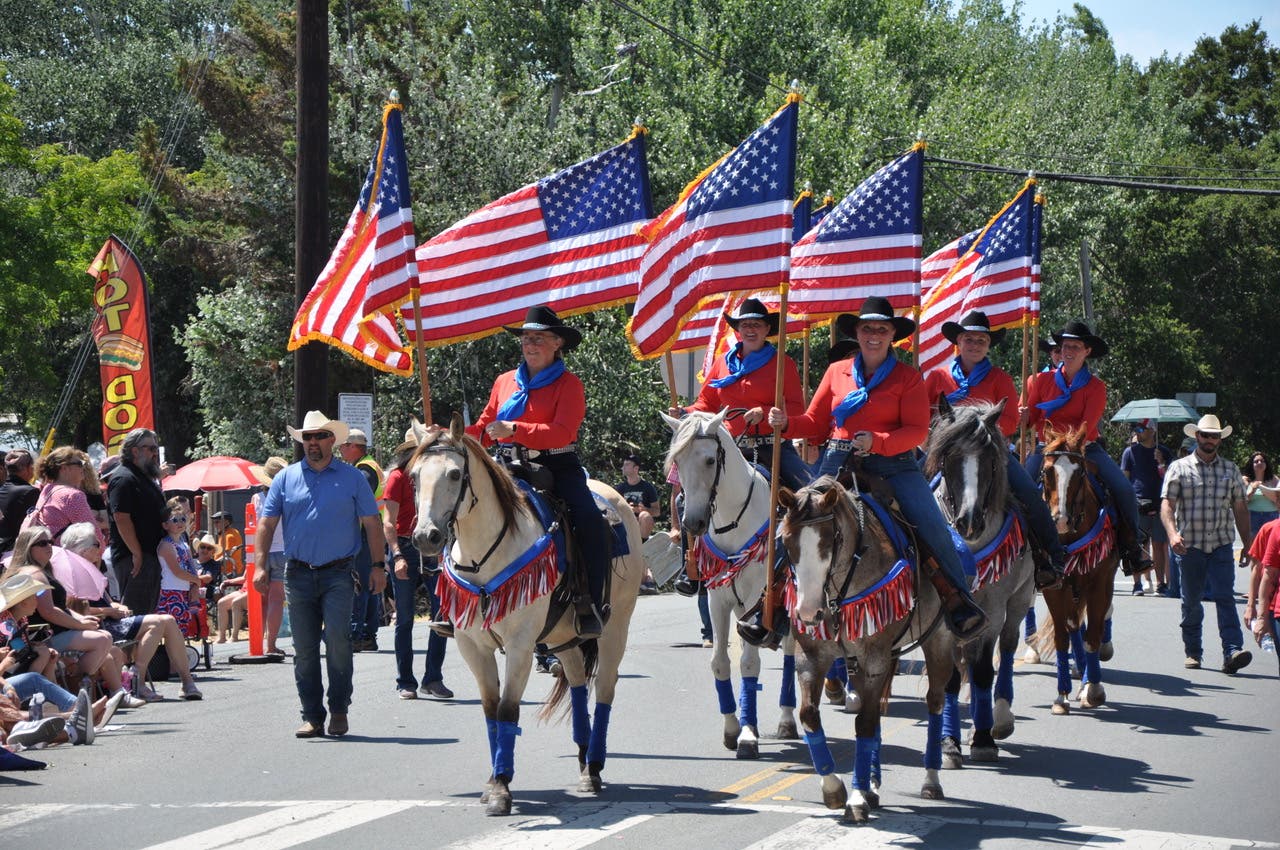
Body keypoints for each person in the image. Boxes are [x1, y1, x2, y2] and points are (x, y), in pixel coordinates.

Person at [769, 295, 987, 640]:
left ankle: (957, 599)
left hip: (894, 466)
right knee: (796, 521)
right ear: (856, 332)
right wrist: (787, 424)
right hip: (837, 462)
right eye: (867, 328)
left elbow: (917, 431)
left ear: (892, 335)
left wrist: (878, 442)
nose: (874, 334)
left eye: (882, 329)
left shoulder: (907, 377)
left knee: (932, 526)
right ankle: (771, 604)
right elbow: (814, 421)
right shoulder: (836, 372)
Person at [467, 305, 608, 640]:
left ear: (557, 343)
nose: (530, 344)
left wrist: (515, 428)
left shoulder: (569, 384)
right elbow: (486, 427)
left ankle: (590, 603)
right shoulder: (504, 381)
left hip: (556, 466)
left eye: (539, 338)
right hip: (505, 466)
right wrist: (451, 435)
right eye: (527, 338)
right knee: (460, 508)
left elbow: (563, 432)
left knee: (591, 520)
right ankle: (457, 601)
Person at [254, 410, 387, 738]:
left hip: (339, 573)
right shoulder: (286, 478)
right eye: (307, 438)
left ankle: (339, 709)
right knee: (305, 648)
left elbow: (372, 523)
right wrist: (258, 565)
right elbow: (267, 523)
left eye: (318, 437)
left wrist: (378, 566)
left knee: (339, 642)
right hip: (297, 573)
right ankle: (312, 714)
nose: (312, 443)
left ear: (332, 440)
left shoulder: (353, 477)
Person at [923, 309, 1066, 589]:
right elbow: (923, 417)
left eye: (981, 340)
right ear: (958, 343)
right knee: (910, 497)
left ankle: (1050, 556)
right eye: (969, 340)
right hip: (947, 454)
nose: (975, 345)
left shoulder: (999, 378)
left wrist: (979, 434)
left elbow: (1011, 420)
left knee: (1030, 495)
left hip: (989, 452)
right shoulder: (937, 378)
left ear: (988, 345)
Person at [1019, 320, 1151, 578]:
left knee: (1123, 489)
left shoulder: (1096, 387)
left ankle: (1132, 547)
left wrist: (1064, 441)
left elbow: (1087, 426)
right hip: (1046, 450)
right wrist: (1022, 416)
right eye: (1065, 346)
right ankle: (1018, 548)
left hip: (1084, 449)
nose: (1068, 351)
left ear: (1086, 351)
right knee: (1019, 491)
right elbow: (1028, 421)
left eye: (1075, 347)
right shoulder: (1038, 380)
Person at [674, 297, 811, 492]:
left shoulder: (783, 363)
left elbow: (797, 410)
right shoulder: (722, 363)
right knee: (688, 496)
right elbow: (706, 403)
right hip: (731, 445)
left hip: (774, 447)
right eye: (745, 324)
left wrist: (764, 413)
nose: (750, 329)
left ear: (767, 329)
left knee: (810, 493)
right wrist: (684, 412)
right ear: (738, 329)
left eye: (756, 324)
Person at [60, 522, 201, 701]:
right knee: (160, 622)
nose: (101, 547)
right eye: (96, 544)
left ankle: (184, 681)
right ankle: (140, 680)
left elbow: (107, 600)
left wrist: (116, 606)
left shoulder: (91, 570)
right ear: (82, 550)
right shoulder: (70, 574)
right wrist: (109, 611)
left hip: (112, 621)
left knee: (167, 621)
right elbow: (76, 610)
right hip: (101, 625)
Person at [1160, 414, 1253, 675]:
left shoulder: (1230, 469)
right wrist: (1172, 534)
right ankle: (1193, 651)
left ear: (1220, 440)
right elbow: (1167, 505)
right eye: (1206, 435)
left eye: (1215, 436)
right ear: (1196, 437)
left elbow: (1241, 508)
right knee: (1191, 601)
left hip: (1222, 544)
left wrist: (1248, 543)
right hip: (1189, 545)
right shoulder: (1179, 467)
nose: (1210, 440)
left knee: (1225, 598)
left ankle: (1232, 650)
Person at [3, 526, 138, 705]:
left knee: (105, 647)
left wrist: (81, 619)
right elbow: (48, 612)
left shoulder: (43, 572)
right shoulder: (33, 575)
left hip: (38, 641)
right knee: (102, 641)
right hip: (46, 635)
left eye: (50, 542)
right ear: (28, 547)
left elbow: (60, 607)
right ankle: (75, 686)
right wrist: (80, 624)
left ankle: (80, 697)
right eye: (42, 543)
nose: (49, 546)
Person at [382, 434, 453, 700]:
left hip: (432, 546)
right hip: (405, 546)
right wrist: (397, 555)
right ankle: (406, 681)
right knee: (405, 618)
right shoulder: (398, 477)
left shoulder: (433, 477)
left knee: (441, 616)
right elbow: (388, 521)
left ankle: (433, 678)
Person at [107, 429, 168, 618]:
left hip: (148, 555)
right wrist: (136, 552)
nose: (154, 453)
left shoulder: (143, 477)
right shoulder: (123, 478)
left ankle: (141, 648)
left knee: (146, 616)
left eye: (155, 448)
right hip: (134, 557)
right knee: (136, 619)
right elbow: (121, 518)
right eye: (150, 448)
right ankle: (130, 649)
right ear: (135, 451)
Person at [339, 430, 384, 652]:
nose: (340, 450)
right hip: (370, 533)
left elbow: (354, 500)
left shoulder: (364, 470)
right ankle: (367, 633)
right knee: (369, 584)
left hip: (363, 534)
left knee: (360, 584)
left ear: (354, 446)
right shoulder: (367, 466)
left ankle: (358, 633)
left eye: (343, 445)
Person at [1121, 420, 1175, 596]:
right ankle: (1138, 584)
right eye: (1136, 428)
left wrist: (1161, 463)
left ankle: (1161, 584)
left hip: (1161, 503)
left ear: (1152, 430)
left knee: (1160, 545)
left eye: (1141, 428)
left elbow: (1173, 479)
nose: (1137, 431)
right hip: (1138, 502)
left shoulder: (1164, 451)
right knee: (1138, 544)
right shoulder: (1130, 452)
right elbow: (1125, 478)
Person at [249, 457, 289, 655]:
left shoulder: (257, 498)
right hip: (283, 550)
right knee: (276, 599)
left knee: (262, 601)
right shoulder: (287, 496)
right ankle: (271, 644)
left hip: (261, 552)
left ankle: (258, 640)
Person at [20, 447, 99, 545]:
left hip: (50, 554)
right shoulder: (72, 495)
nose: (83, 466)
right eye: (79, 463)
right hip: (69, 557)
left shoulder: (48, 489)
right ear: (64, 468)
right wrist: (98, 555)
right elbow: (94, 536)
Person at [157, 509, 204, 642]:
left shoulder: (183, 544)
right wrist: (196, 580)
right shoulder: (166, 545)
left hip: (183, 590)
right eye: (175, 520)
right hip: (170, 590)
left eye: (183, 519)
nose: (180, 523)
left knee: (182, 626)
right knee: (172, 629)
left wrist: (194, 584)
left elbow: (190, 566)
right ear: (165, 525)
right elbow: (176, 571)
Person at [0, 450, 38, 555]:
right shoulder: (30, 492)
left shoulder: (2, 489)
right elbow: (32, 525)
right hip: (14, 552)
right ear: (28, 468)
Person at [615, 455, 661, 541]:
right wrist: (627, 509)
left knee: (645, 516)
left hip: (642, 524)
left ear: (636, 468)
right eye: (623, 465)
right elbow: (614, 509)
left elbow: (657, 512)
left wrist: (643, 510)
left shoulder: (648, 487)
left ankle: (642, 544)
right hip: (626, 522)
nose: (623, 467)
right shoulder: (620, 488)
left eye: (627, 465)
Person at [1242, 451, 1280, 540]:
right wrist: (1253, 490)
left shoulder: (1274, 479)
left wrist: (1265, 490)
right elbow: (1242, 501)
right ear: (1252, 465)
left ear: (1266, 464)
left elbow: (1277, 499)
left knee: (1269, 543)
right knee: (1252, 544)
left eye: (1262, 461)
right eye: (1256, 461)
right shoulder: (1246, 480)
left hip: (1271, 515)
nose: (1260, 463)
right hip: (1252, 516)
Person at [211, 511, 244, 578]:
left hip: (229, 572)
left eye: (217, 522)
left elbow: (227, 554)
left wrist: (213, 563)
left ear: (226, 522)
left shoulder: (229, 536)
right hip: (228, 571)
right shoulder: (231, 531)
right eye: (214, 522)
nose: (215, 524)